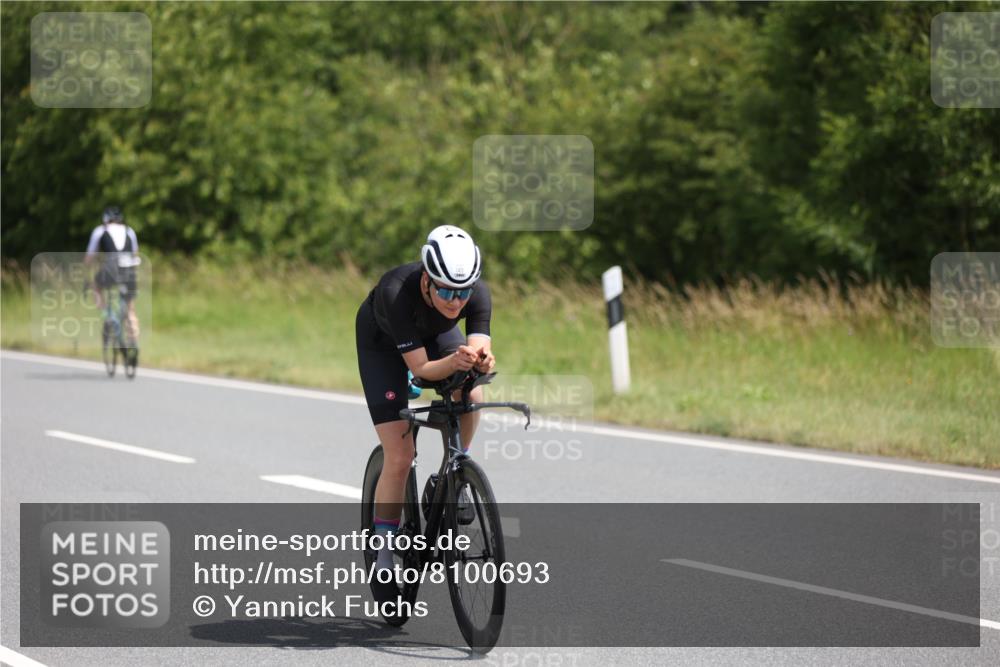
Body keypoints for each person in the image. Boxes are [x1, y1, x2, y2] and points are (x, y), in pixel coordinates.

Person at [355, 225, 495, 577]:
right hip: (384, 344)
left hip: (434, 335)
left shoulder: (475, 295)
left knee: (472, 391)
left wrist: (482, 361)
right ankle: (384, 555)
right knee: (400, 456)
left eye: (463, 292)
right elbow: (421, 369)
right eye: (446, 290)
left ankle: (453, 472)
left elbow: (480, 350)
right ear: (426, 280)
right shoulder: (395, 292)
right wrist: (453, 363)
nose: (456, 301)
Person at [85, 206, 140, 340]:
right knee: (131, 310)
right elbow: (135, 254)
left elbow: (89, 257)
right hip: (129, 271)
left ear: (105, 219)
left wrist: (87, 270)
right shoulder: (130, 231)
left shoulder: (100, 231)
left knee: (95, 287)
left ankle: (109, 316)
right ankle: (133, 347)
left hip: (111, 270)